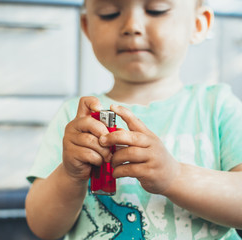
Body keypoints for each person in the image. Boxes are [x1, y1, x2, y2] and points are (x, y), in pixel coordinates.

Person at [25, 0, 242, 239]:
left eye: (156, 10)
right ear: (87, 27)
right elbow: (43, 227)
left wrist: (175, 177)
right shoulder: (75, 118)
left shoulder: (217, 107)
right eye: (110, 13)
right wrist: (69, 175)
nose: (132, 26)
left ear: (199, 24)